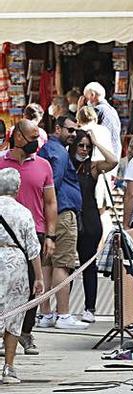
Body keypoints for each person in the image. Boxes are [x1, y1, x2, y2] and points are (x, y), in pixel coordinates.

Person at [0, 120, 56, 355]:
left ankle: (25, 331)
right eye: (33, 137)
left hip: (36, 230)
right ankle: (5, 333)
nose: (37, 143)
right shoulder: (1, 162)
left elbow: (51, 202)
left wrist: (51, 235)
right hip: (5, 235)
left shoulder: (43, 165)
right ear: (19, 137)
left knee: (34, 284)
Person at [33, 117, 84, 330]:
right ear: (57, 129)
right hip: (61, 214)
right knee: (62, 264)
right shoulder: (60, 153)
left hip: (49, 215)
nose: (73, 134)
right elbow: (53, 185)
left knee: (47, 264)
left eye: (75, 130)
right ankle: (63, 314)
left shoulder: (47, 150)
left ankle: (46, 314)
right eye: (69, 130)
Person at [0, 169, 45, 384]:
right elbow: (33, 248)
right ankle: (9, 368)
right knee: (14, 316)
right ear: (17, 189)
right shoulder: (23, 212)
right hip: (16, 262)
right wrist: (38, 277)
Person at [72, 130, 118, 325]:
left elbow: (113, 161)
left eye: (87, 146)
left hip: (90, 219)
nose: (84, 150)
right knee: (66, 265)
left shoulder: (92, 167)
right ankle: (62, 309)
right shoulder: (66, 164)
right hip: (71, 218)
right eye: (81, 145)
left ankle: (90, 308)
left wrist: (97, 142)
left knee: (88, 265)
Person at [82, 82, 121, 157]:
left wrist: (80, 108)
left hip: (104, 155)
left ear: (92, 95)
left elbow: (84, 127)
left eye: (86, 98)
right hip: (113, 154)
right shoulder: (112, 110)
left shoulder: (98, 109)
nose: (86, 101)